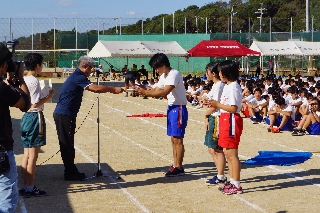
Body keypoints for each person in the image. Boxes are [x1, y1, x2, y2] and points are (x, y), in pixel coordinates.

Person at [53, 56, 124, 181]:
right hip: (64, 114)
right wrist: (113, 89)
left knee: (69, 144)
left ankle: (71, 170)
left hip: (67, 114)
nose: (92, 71)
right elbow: (95, 88)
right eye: (91, 68)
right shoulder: (78, 76)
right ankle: (69, 172)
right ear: (85, 66)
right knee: (67, 144)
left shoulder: (78, 75)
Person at [137, 53, 188, 177]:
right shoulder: (165, 75)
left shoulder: (174, 74)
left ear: (162, 65)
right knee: (173, 138)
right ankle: (175, 164)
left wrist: (146, 93)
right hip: (172, 108)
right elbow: (156, 89)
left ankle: (179, 167)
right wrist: (143, 88)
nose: (156, 71)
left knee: (177, 139)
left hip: (178, 108)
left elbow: (164, 91)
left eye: (156, 68)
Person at [19, 53, 55, 198]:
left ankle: (25, 185)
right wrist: (49, 96)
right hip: (35, 117)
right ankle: (30, 186)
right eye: (41, 64)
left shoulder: (24, 79)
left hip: (26, 117)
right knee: (33, 156)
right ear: (37, 65)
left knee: (26, 154)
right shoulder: (33, 81)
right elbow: (34, 104)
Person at [0, 42, 30, 212]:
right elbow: (25, 104)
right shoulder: (1, 88)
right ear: (3, 64)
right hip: (2, 150)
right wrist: (19, 78)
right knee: (7, 201)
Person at [207, 60, 243, 195]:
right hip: (225, 119)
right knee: (228, 153)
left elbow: (233, 108)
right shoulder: (228, 86)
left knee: (232, 155)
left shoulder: (234, 86)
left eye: (221, 71)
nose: (220, 73)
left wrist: (217, 104)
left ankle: (236, 184)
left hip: (231, 119)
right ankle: (233, 181)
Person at [202, 62, 227, 185]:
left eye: (207, 72)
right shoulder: (215, 85)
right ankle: (219, 173)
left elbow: (215, 105)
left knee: (216, 149)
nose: (205, 75)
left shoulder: (219, 86)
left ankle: (221, 176)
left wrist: (206, 114)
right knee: (211, 149)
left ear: (213, 73)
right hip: (213, 117)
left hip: (216, 118)